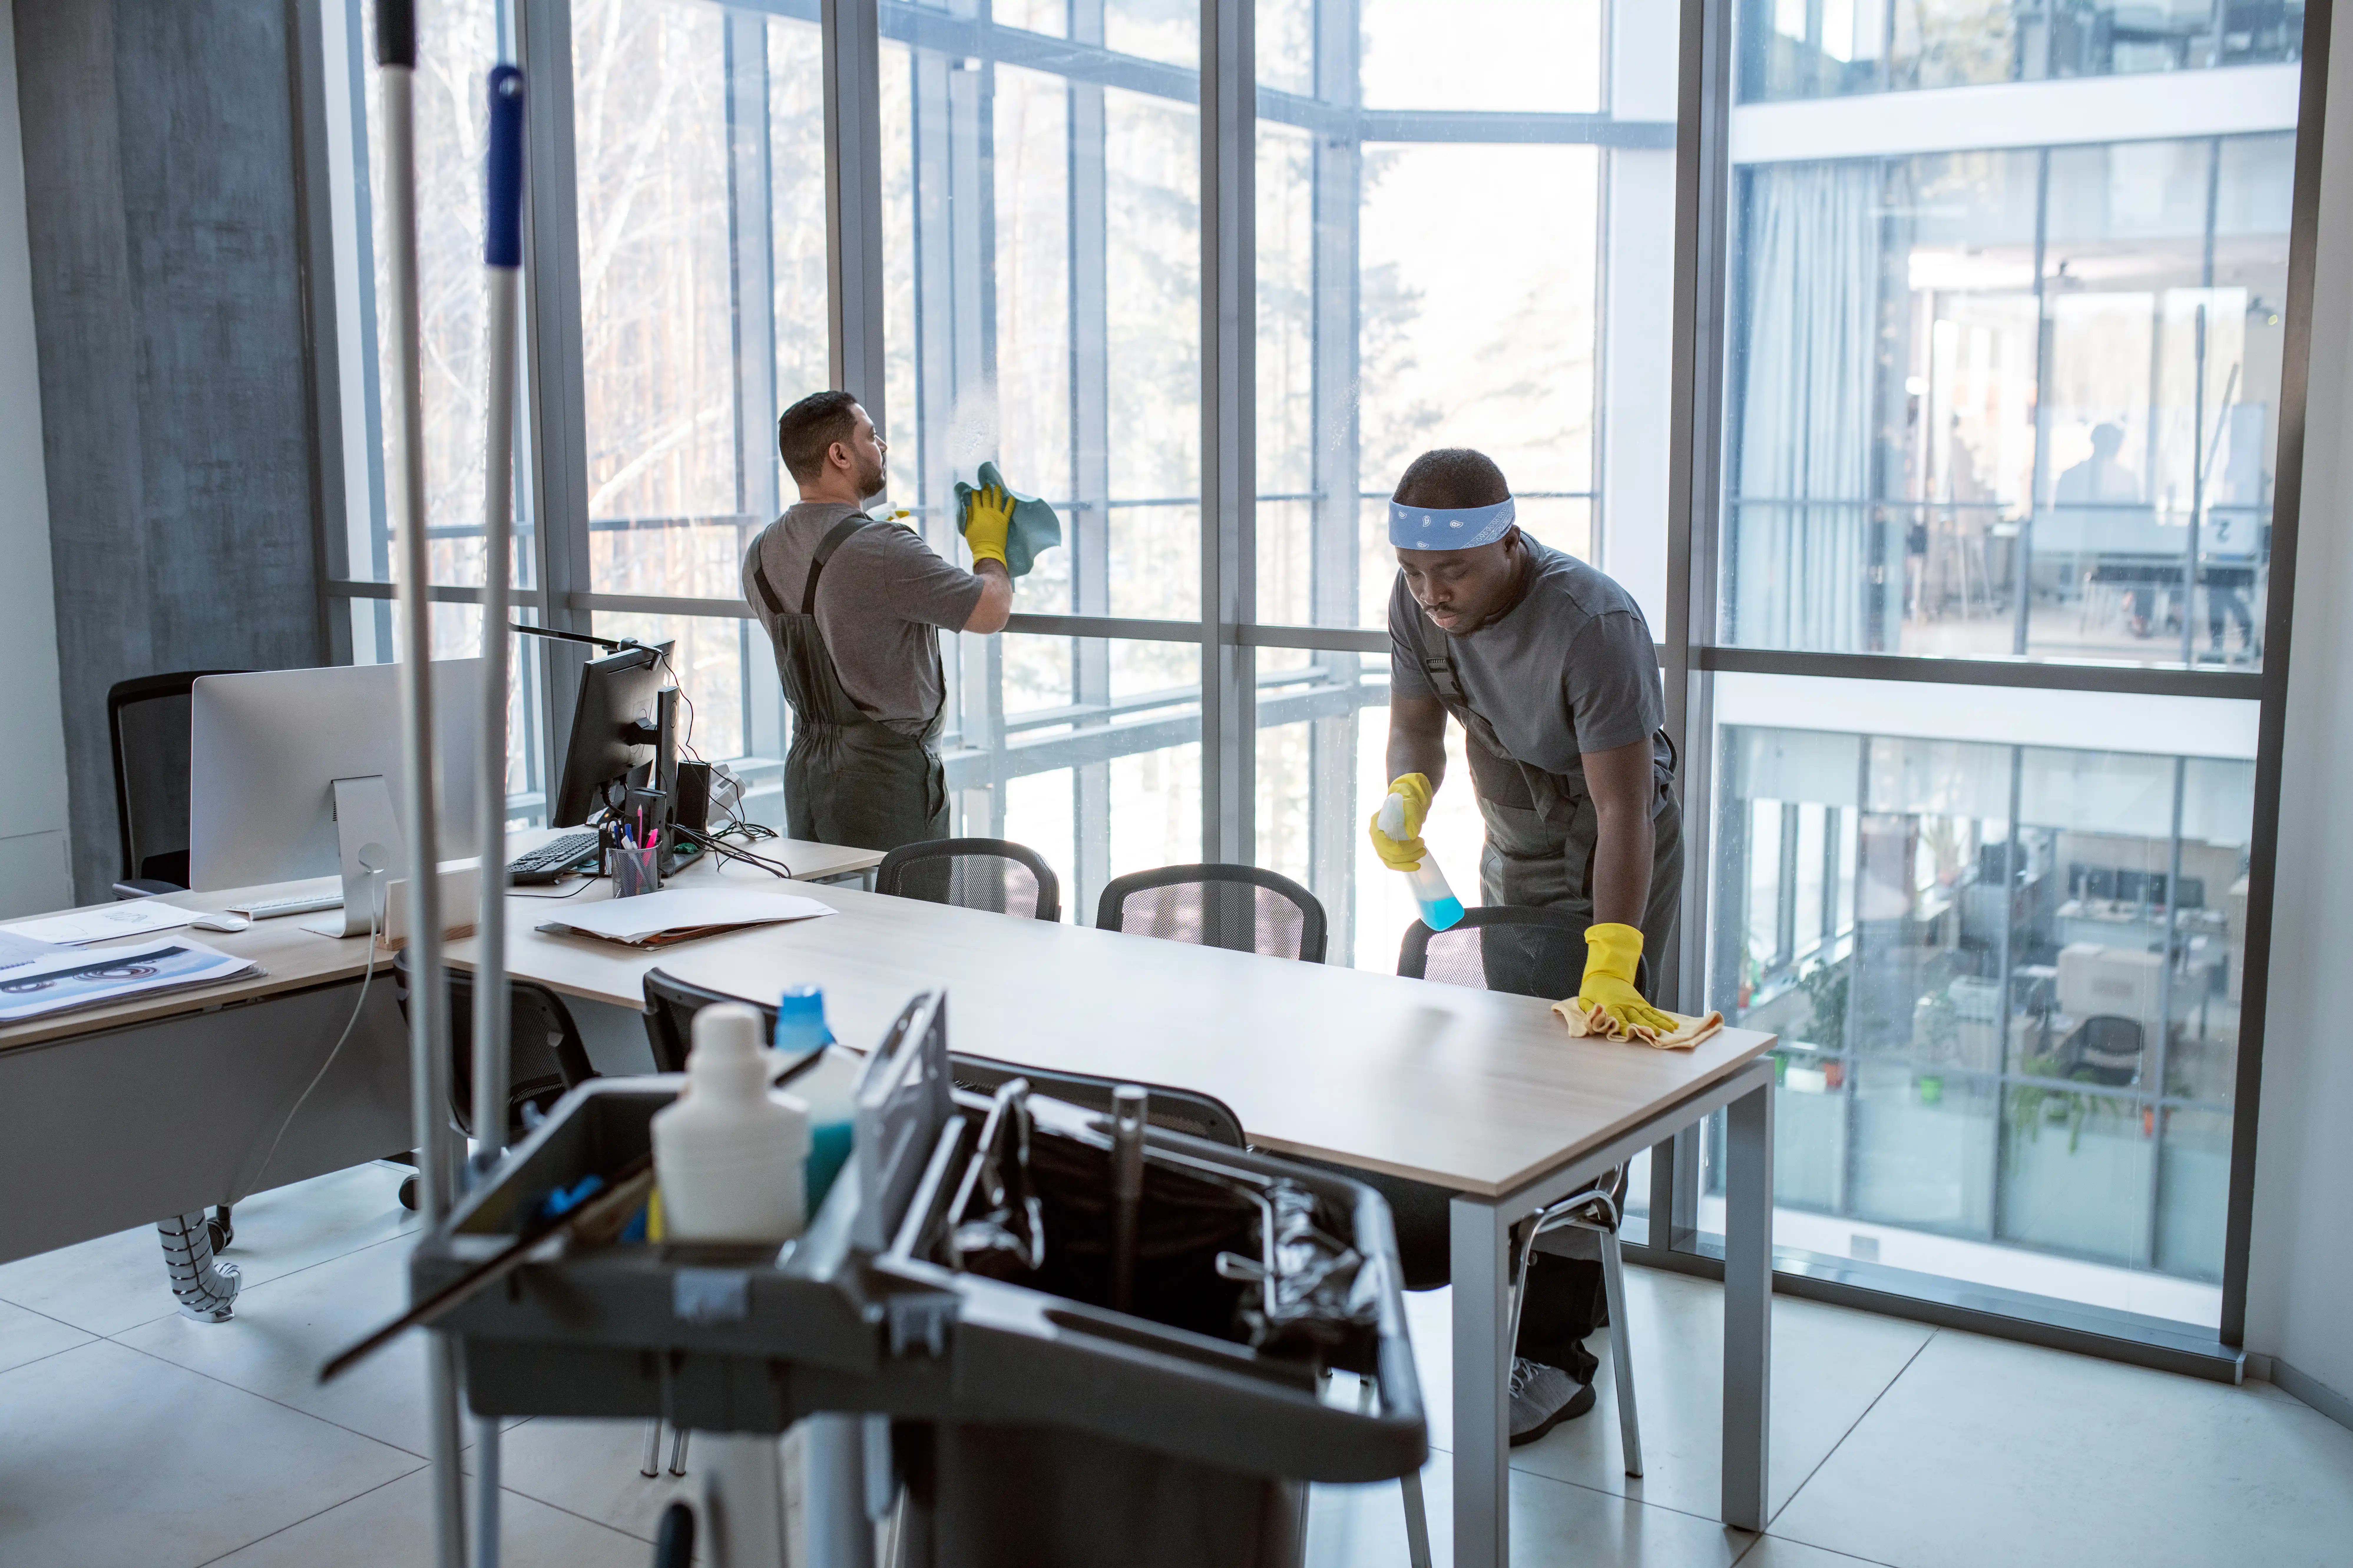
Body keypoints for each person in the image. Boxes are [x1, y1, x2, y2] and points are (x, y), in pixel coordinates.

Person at [1371, 447, 1681, 1446]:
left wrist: (1612, 956)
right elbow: (1417, 726)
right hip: (1516, 836)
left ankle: (1558, 1354)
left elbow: (1625, 808)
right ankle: (1529, 1300)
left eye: (1451, 572)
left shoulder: (1594, 624)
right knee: (1516, 1082)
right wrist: (1406, 792)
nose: (1433, 595)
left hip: (1614, 846)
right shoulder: (1418, 601)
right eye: (1416, 574)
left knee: (1587, 1091)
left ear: (1509, 540)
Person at [741, 390, 1016, 851]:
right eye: (871, 436)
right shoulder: (883, 547)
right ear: (840, 455)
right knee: (911, 917)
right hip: (885, 780)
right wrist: (990, 549)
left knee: (828, 913)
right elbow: (991, 610)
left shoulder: (761, 552)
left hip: (808, 775)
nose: (882, 447)